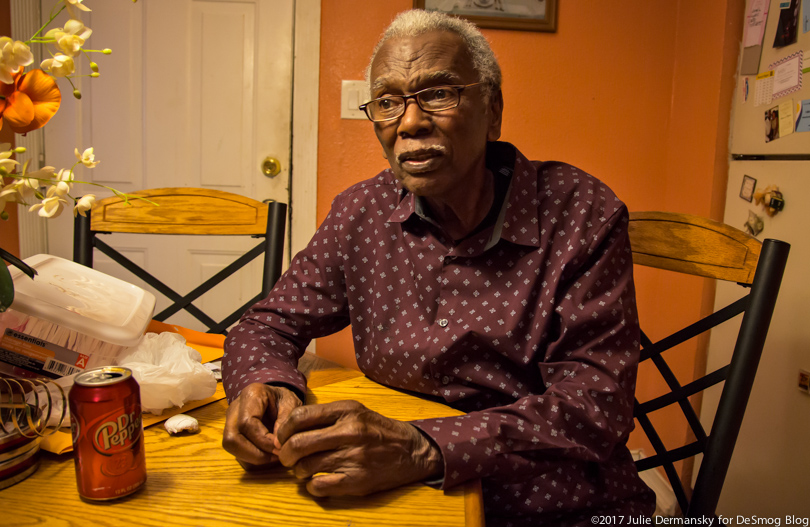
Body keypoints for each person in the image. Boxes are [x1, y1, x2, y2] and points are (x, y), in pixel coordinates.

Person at [222, 9, 655, 526]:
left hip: (552, 502)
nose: (409, 122)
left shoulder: (580, 212)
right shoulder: (360, 213)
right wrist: (266, 384)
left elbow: (595, 406)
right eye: (387, 103)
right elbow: (268, 323)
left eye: (439, 94)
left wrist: (424, 447)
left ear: (492, 111)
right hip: (398, 500)